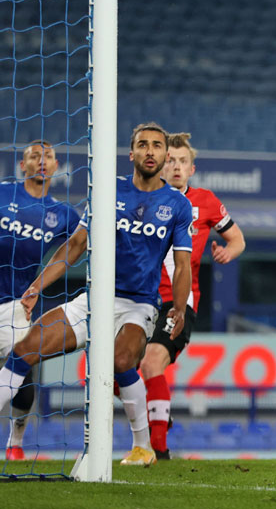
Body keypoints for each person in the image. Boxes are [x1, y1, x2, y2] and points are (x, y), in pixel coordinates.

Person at [0, 123, 193, 467]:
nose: (150, 151)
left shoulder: (177, 205)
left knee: (120, 362)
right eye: (143, 145)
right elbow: (74, 246)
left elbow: (182, 265)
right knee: (23, 350)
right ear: (131, 153)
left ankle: (142, 446)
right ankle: (14, 441)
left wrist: (177, 310)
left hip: (139, 305)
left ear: (165, 156)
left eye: (157, 146)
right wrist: (34, 289)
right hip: (93, 300)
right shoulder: (107, 190)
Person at [140, 132, 246, 460]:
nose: (175, 166)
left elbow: (238, 238)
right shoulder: (143, 199)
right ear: (159, 164)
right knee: (118, 369)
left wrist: (229, 251)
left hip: (179, 302)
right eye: (170, 160)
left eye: (182, 161)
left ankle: (158, 451)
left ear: (192, 169)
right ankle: (157, 410)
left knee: (152, 361)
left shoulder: (205, 202)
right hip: (139, 298)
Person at [0, 141, 81, 460]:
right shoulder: (4, 193)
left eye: (47, 156)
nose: (41, 161)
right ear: (23, 166)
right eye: (34, 156)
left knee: (25, 371)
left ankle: (15, 441)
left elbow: (82, 242)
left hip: (16, 305)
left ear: (56, 165)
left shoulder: (61, 214)